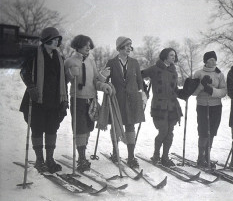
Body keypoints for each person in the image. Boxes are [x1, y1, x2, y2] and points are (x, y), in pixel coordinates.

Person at [19, 27, 68, 173]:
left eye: (58, 39)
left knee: (52, 128)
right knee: (38, 128)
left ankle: (50, 159)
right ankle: (39, 160)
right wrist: (31, 87)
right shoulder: (34, 55)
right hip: (37, 100)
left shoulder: (60, 58)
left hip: (54, 100)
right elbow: (24, 72)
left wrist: (64, 100)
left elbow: (63, 80)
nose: (57, 42)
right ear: (46, 39)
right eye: (54, 39)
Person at [64, 35, 112, 172]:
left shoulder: (91, 61)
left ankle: (82, 154)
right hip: (77, 99)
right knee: (80, 128)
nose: (88, 47)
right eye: (85, 45)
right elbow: (63, 81)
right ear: (78, 45)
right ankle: (82, 158)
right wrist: (69, 74)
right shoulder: (69, 61)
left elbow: (96, 81)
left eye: (89, 45)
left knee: (89, 127)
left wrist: (103, 83)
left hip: (91, 100)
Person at [101, 36, 146, 169]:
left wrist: (142, 94)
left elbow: (139, 81)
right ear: (119, 47)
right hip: (116, 99)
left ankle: (131, 157)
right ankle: (115, 153)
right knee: (115, 125)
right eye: (126, 45)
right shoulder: (111, 62)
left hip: (132, 99)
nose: (129, 48)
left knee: (130, 126)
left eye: (130, 45)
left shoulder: (135, 62)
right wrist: (104, 77)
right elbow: (103, 80)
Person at [141, 48, 183, 167]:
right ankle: (156, 155)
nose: (173, 57)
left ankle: (165, 158)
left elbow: (174, 90)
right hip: (159, 105)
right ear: (165, 56)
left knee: (170, 132)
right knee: (163, 131)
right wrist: (144, 88)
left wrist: (185, 92)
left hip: (172, 105)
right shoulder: (155, 69)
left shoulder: (174, 71)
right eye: (171, 55)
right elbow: (139, 75)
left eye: (174, 55)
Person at [193, 51, 227, 168]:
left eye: (214, 59)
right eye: (211, 59)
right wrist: (202, 86)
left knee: (211, 132)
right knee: (203, 132)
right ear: (206, 61)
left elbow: (223, 92)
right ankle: (200, 158)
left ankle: (207, 157)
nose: (213, 62)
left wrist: (211, 90)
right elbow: (193, 92)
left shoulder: (219, 74)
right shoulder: (198, 73)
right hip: (203, 106)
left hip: (216, 106)